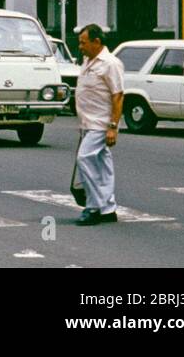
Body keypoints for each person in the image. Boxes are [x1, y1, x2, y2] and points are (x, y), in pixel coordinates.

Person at [74, 23, 123, 225]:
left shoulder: (110, 63)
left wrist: (112, 126)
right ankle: (108, 208)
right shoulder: (88, 61)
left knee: (84, 158)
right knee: (103, 166)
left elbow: (118, 95)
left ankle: (93, 207)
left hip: (100, 123)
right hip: (87, 122)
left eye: (83, 42)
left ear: (97, 41)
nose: (80, 46)